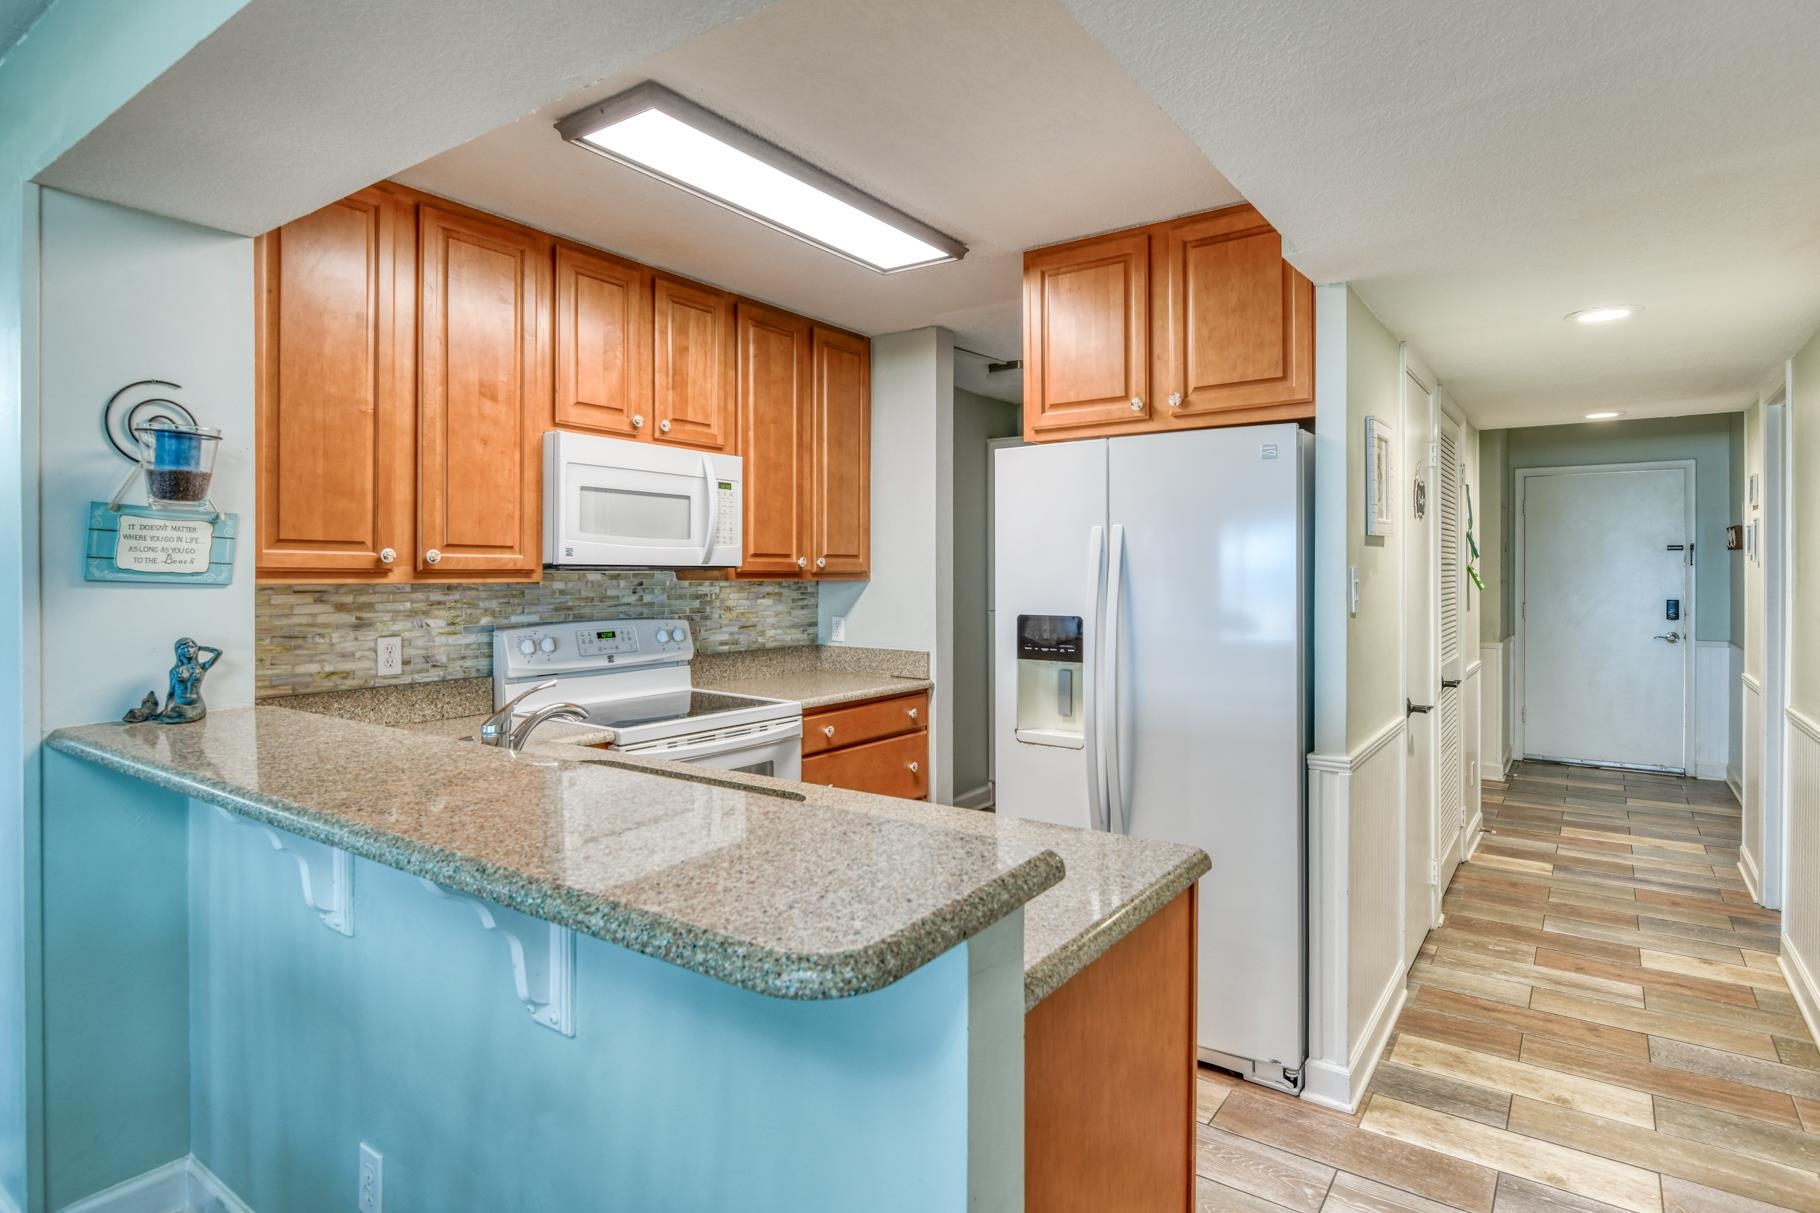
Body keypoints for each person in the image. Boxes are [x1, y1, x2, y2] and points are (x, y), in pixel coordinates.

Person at [154, 636, 221, 723]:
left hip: (196, 706)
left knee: (170, 719)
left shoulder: (201, 667)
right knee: (170, 714)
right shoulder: (175, 671)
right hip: (178, 706)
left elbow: (218, 652)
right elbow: (171, 692)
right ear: (178, 652)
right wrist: (166, 708)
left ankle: (169, 719)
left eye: (191, 647)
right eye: (184, 648)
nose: (188, 650)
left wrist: (200, 647)